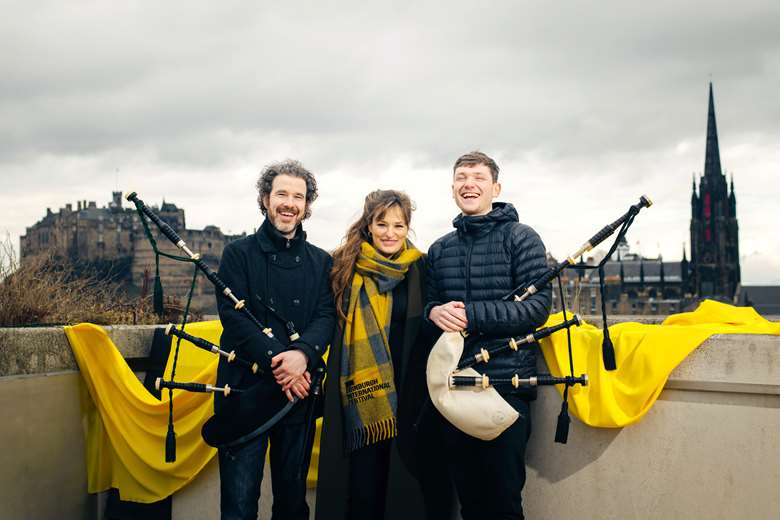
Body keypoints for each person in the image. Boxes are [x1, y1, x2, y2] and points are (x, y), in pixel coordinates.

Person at [425, 151, 552, 520]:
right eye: (461, 177)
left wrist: (471, 314)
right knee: (470, 501)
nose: (469, 183)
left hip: (505, 386)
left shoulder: (522, 237)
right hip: (454, 388)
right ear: (452, 189)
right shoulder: (439, 249)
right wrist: (434, 313)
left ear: (495, 187)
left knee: (503, 502)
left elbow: (536, 309)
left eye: (478, 177)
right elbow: (430, 311)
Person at [315, 190, 455, 520]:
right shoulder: (343, 267)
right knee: (362, 486)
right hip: (360, 397)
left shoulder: (421, 267)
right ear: (368, 225)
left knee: (405, 486)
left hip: (410, 393)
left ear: (408, 228)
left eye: (398, 225)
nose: (390, 233)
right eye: (382, 224)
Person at [214, 160, 336, 520]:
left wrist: (302, 355)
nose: (289, 203)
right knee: (238, 505)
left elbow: (325, 316)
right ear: (266, 199)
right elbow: (234, 318)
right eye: (281, 194)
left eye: (298, 196)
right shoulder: (237, 254)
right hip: (245, 393)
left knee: (293, 504)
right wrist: (284, 364)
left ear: (307, 206)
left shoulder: (321, 262)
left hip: (295, 399)